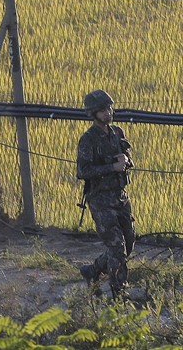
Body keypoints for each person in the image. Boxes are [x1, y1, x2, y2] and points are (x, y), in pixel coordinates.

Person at [76, 89, 135, 298]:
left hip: (120, 195)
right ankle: (119, 292)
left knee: (128, 241)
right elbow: (83, 171)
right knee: (117, 246)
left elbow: (128, 158)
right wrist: (112, 167)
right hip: (101, 199)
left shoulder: (117, 132)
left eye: (109, 108)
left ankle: (92, 271)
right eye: (102, 111)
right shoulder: (88, 139)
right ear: (93, 114)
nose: (108, 113)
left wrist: (126, 162)